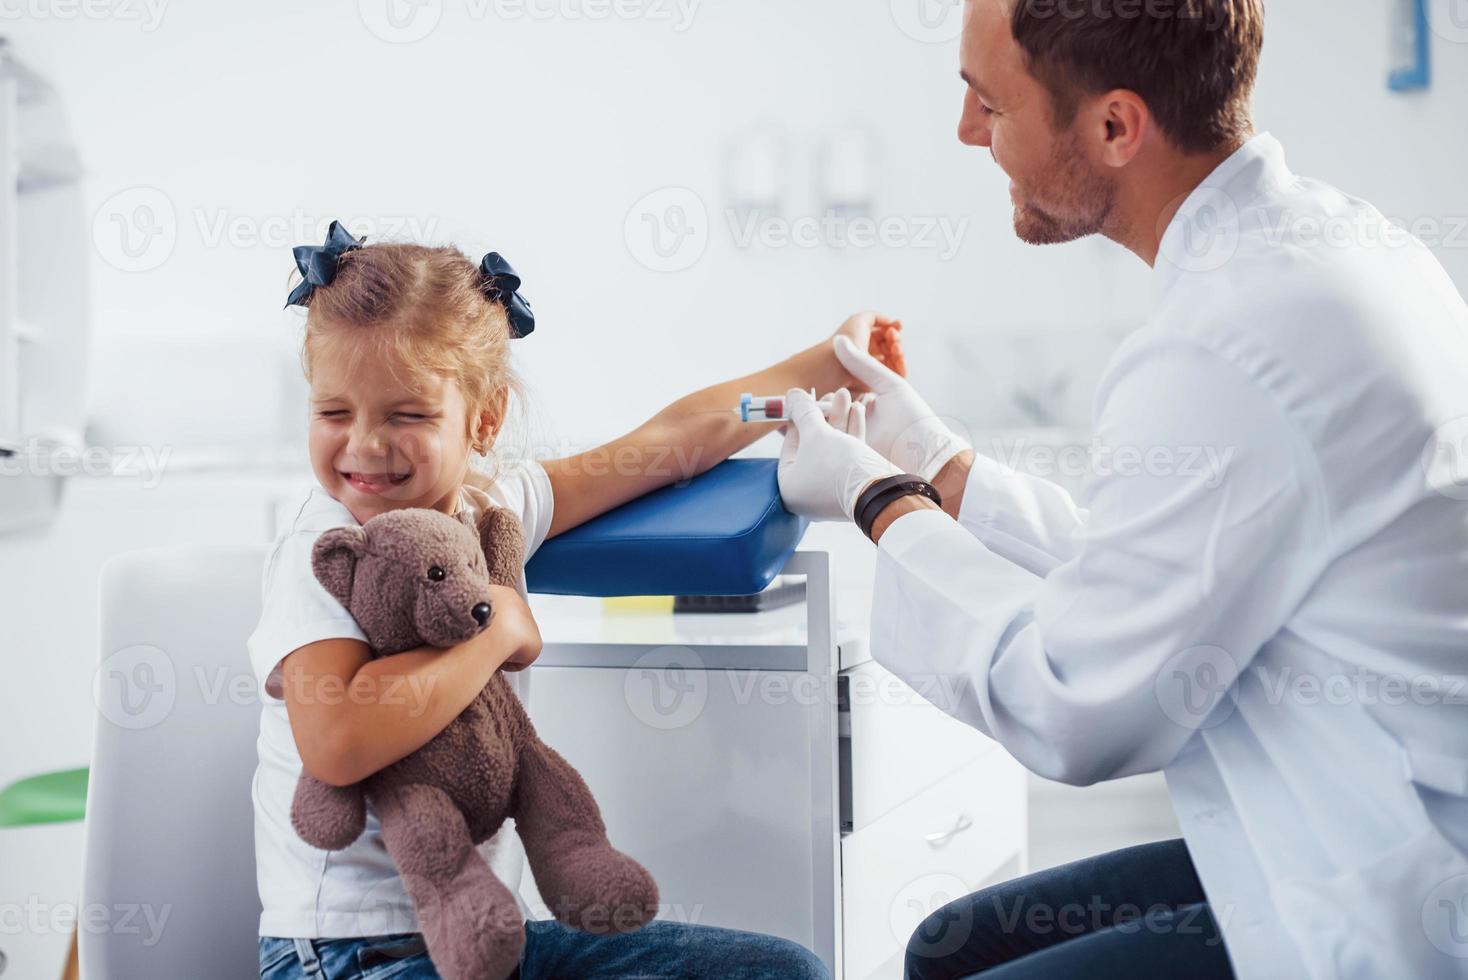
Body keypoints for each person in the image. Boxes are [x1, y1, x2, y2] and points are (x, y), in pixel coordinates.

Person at [775, 1, 1468, 977]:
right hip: (1364, 814)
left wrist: (880, 500)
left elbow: (1073, 703)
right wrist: (937, 459)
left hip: (1381, 897)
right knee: (946, 945)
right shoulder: (1327, 251)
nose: (966, 131)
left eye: (987, 101)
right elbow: (1158, 569)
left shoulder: (1227, 338)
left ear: (1113, 125)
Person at [250, 223, 898, 979]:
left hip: (495, 943)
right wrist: (494, 634)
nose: (364, 444)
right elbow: (338, 739)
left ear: (483, 420)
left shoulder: (494, 506)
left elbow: (668, 440)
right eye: (335, 413)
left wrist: (825, 369)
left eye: (407, 415)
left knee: (786, 973)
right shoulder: (321, 548)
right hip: (354, 957)